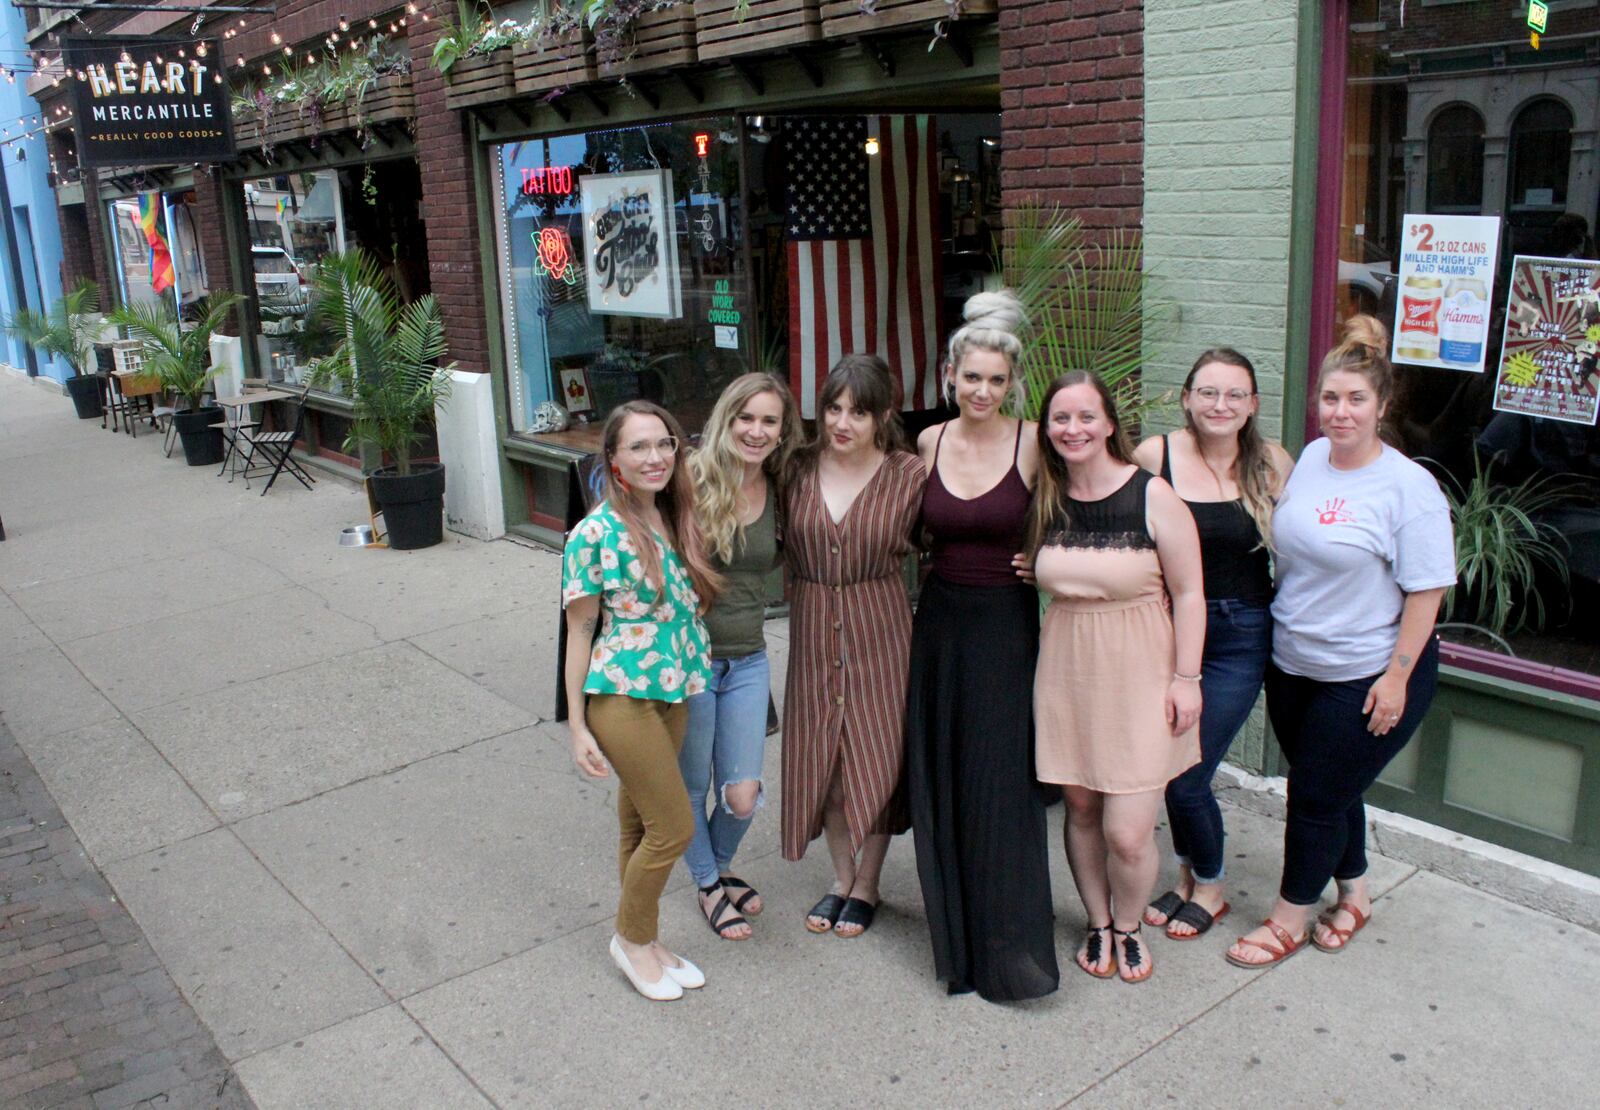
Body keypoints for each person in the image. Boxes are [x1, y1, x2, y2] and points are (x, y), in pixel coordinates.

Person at [1227, 317, 1455, 968]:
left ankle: (1288, 917)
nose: (1341, 411)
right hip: (1295, 664)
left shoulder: (1409, 488)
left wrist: (1397, 677)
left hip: (1367, 672)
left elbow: (1426, 593)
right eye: (1331, 398)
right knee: (1329, 786)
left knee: (1315, 798)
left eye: (1357, 399)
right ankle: (1354, 894)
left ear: (1383, 406)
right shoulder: (1311, 464)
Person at [905, 291, 1058, 1000]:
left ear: (1012, 384)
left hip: (1004, 628)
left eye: (997, 380)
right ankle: (957, 945)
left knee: (999, 783)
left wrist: (1048, 560)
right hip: (939, 626)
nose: (983, 391)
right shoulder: (929, 443)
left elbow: (1079, 513)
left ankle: (1009, 949)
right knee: (944, 775)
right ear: (950, 374)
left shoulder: (1034, 442)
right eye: (973, 378)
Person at [1029, 370, 1206, 983]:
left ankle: (1129, 925)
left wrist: (1188, 678)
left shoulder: (1152, 496)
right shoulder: (1045, 497)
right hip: (1067, 669)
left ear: (1109, 423)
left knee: (1127, 832)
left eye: (1085, 417)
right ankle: (1098, 921)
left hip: (1141, 673)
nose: (1072, 429)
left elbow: (1189, 594)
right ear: (1046, 429)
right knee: (1079, 807)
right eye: (1060, 418)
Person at [561, 400, 722, 1001]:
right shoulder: (594, 533)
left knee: (639, 822)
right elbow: (579, 631)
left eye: (664, 444)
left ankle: (647, 939)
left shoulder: (676, 518)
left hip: (674, 689)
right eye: (638, 447)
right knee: (674, 827)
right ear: (613, 460)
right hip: (620, 696)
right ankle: (629, 941)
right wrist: (577, 725)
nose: (655, 457)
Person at [1133, 350, 1295, 941]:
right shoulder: (1156, 456)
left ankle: (1212, 886)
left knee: (1188, 773)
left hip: (1240, 634)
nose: (1220, 405)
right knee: (1170, 759)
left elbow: (1309, 548)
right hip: (1168, 630)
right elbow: (1120, 526)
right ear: (1186, 397)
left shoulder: (1273, 462)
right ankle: (1186, 876)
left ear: (1252, 404)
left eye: (1234, 395)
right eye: (1208, 392)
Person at [782, 354, 927, 938]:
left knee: (877, 759)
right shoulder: (793, 468)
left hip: (882, 629)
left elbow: (955, 535)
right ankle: (841, 878)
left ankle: (868, 885)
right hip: (814, 627)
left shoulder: (910, 475)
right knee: (829, 764)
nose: (842, 423)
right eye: (833, 408)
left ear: (883, 416)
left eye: (858, 412)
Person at [680, 373, 803, 941]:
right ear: (726, 419)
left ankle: (718, 864)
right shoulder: (688, 479)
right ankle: (710, 881)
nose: (755, 431)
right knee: (688, 789)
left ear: (782, 432)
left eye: (769, 421)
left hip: (748, 658)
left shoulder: (781, 487)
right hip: (687, 660)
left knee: (742, 794)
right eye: (745, 417)